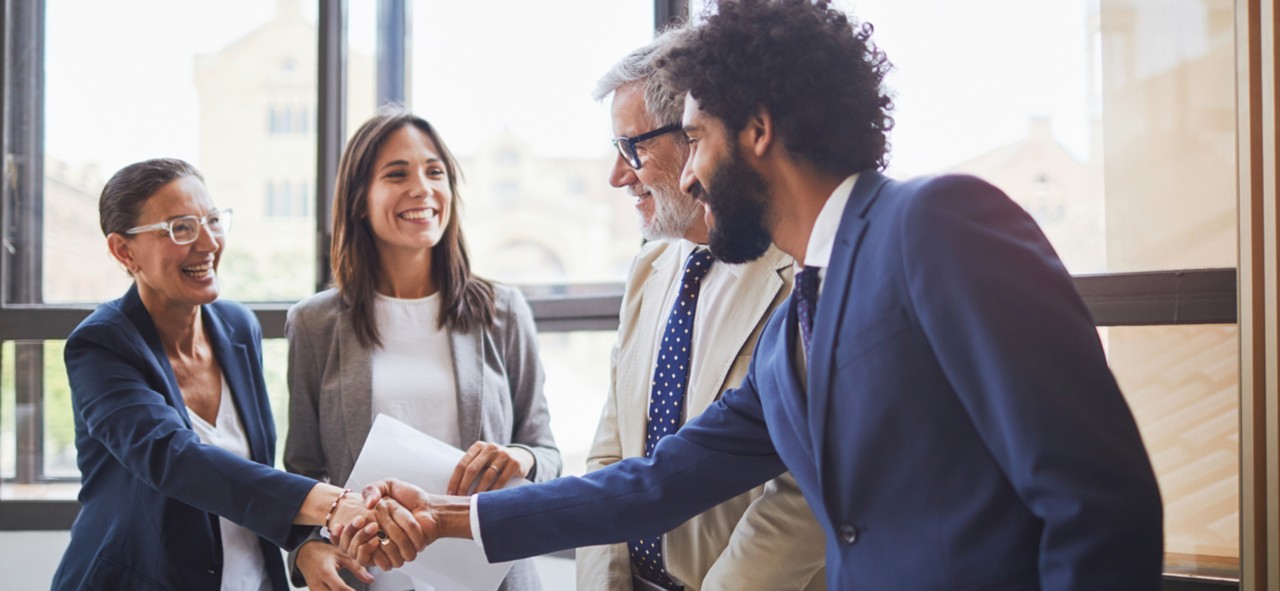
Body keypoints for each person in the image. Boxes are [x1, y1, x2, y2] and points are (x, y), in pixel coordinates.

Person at [353, 1, 1167, 589]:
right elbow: (657, 481)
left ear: (759, 131)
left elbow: (1099, 500)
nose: (692, 175)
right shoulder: (795, 331)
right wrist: (447, 515)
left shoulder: (937, 223)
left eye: (698, 138)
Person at [51, 158, 424, 591]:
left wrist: (303, 542)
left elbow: (252, 469)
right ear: (123, 251)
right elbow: (175, 459)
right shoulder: (101, 345)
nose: (208, 242)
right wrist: (333, 503)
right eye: (180, 228)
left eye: (212, 220)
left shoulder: (236, 327)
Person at [578, 30, 825, 591]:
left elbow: (801, 493)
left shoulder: (800, 274)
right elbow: (611, 451)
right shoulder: (650, 268)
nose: (619, 175)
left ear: (694, 136)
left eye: (631, 148)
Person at [284, 106, 561, 591]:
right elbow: (303, 470)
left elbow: (547, 451)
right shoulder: (314, 324)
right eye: (397, 174)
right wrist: (307, 547)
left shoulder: (503, 311)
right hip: (369, 579)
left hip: (493, 579)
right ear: (359, 201)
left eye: (435, 172)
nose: (422, 188)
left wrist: (522, 458)